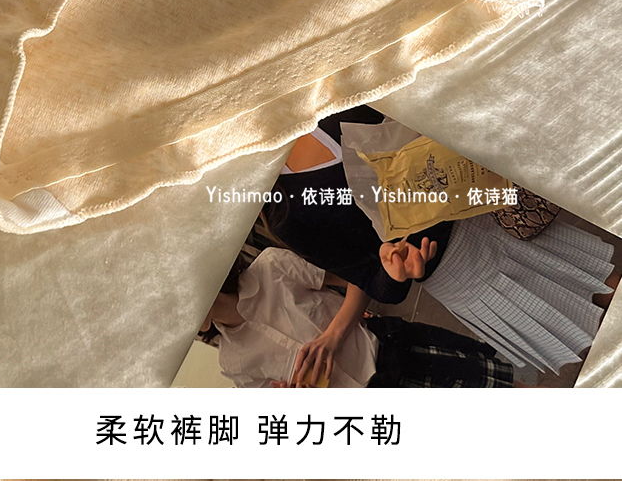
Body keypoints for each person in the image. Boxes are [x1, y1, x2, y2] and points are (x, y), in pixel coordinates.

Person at [264, 105, 619, 378]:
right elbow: (373, 281)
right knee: (586, 327)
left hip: (485, 211)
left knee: (603, 283)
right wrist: (396, 271)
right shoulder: (284, 211)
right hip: (464, 276)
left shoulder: (323, 105)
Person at [200, 247, 514, 388]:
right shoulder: (232, 362)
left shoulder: (270, 267)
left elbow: (361, 279)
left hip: (391, 349)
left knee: (502, 388)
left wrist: (332, 336)